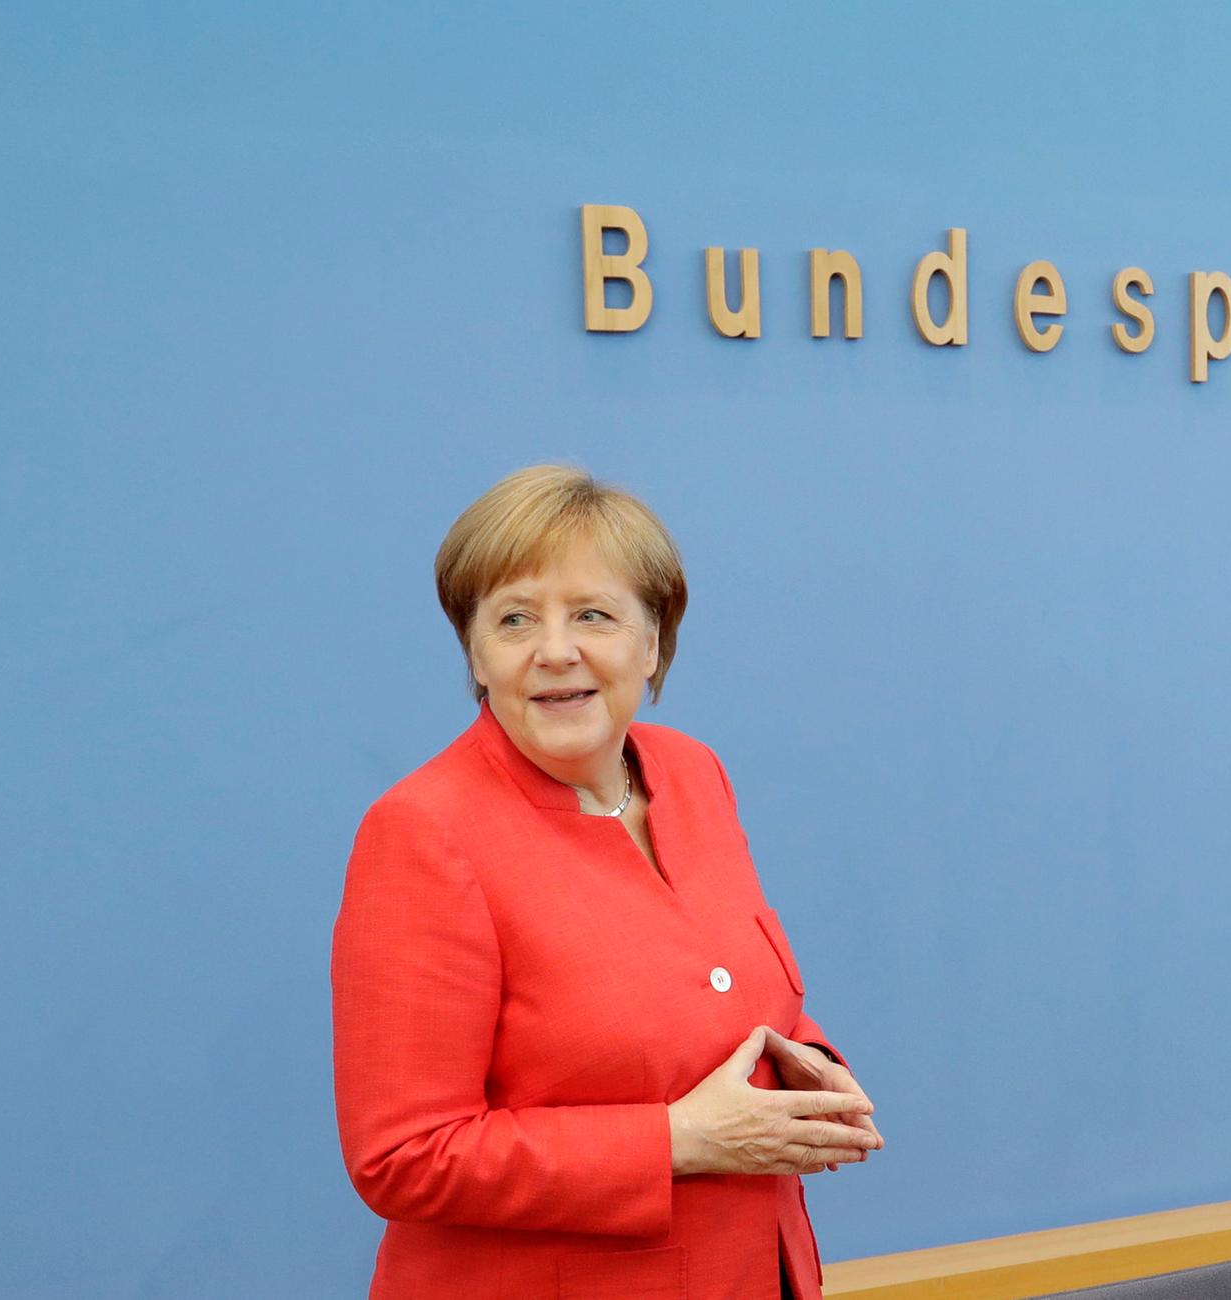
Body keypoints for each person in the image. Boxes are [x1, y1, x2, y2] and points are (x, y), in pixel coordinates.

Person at [331, 465, 881, 1300]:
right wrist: (675, 1141)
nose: (556, 650)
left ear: (653, 641)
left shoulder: (691, 773)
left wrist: (805, 1065)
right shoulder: (423, 831)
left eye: (593, 614)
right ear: (476, 654)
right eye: (515, 619)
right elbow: (403, 1157)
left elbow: (718, 992)